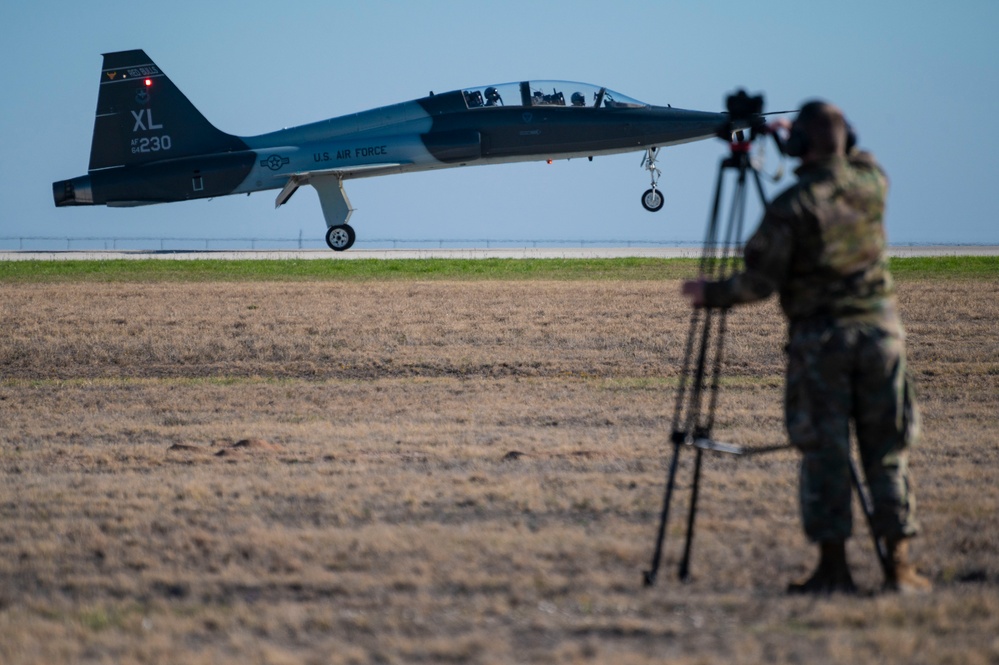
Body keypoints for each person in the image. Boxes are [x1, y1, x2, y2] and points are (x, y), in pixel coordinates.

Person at [682, 101, 932, 595]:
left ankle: (834, 569)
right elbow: (860, 155)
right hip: (883, 340)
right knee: (886, 453)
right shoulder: (872, 185)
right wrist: (819, 136)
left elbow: (759, 283)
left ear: (801, 146)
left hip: (822, 345)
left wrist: (709, 293)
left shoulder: (791, 206)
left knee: (825, 453)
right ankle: (899, 567)